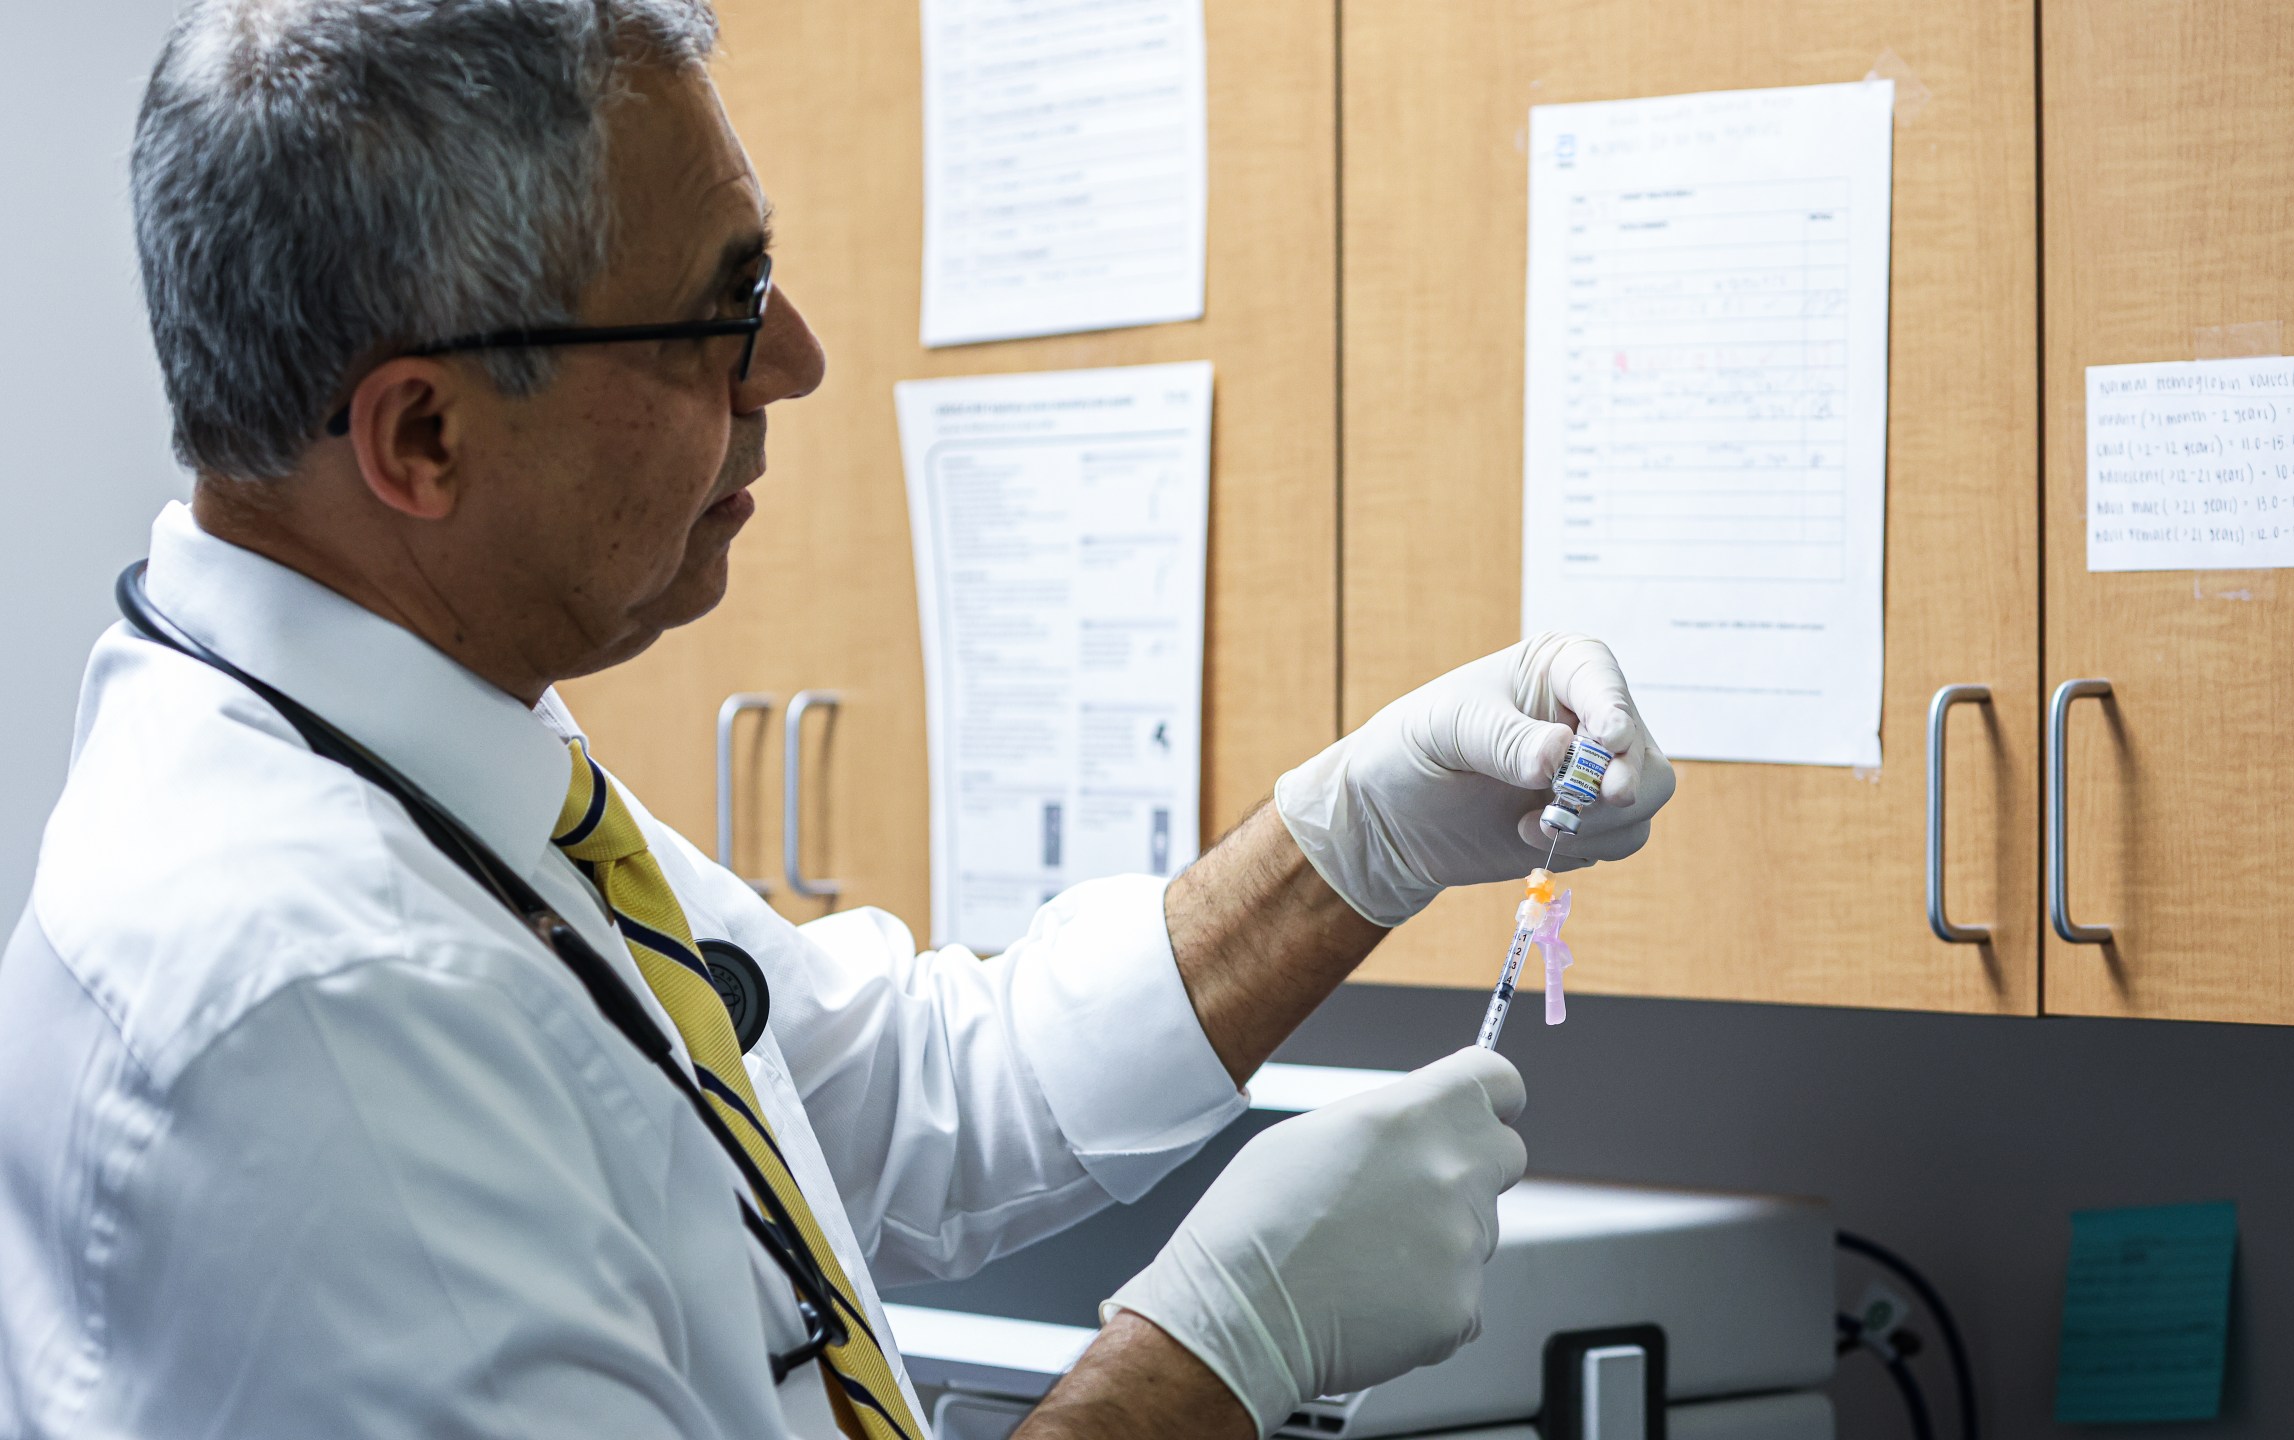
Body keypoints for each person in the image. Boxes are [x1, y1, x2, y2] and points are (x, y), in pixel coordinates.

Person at [0, 3, 1674, 1438]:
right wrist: (1216, 1351)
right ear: (422, 438)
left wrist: (1356, 836)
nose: (793, 361)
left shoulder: (428, 773)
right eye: (719, 309)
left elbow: (916, 1098)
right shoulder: (326, 1010)